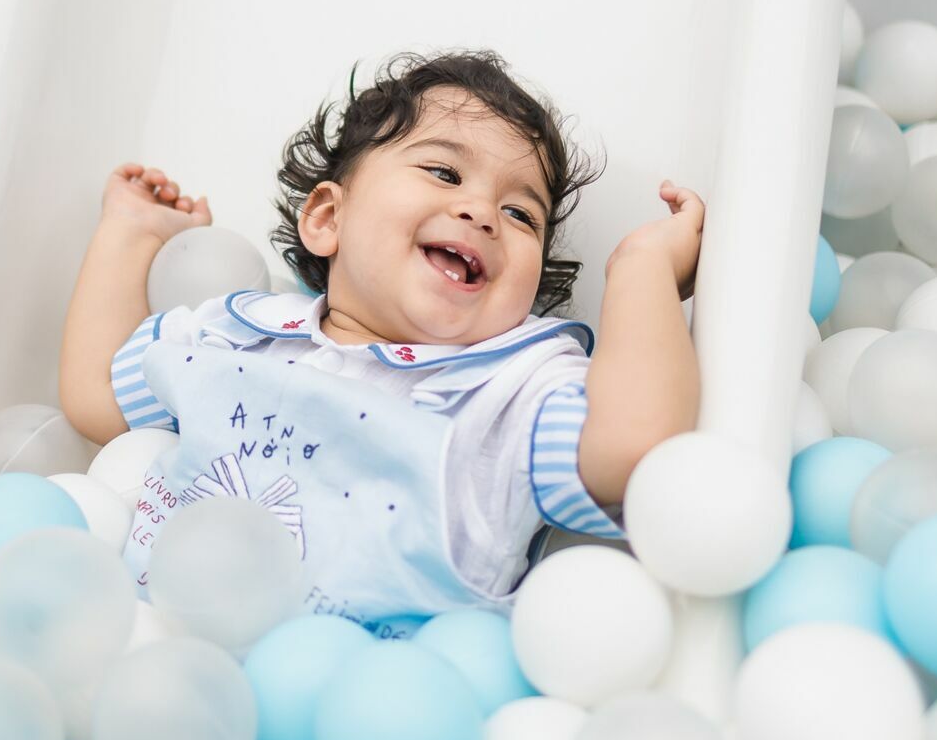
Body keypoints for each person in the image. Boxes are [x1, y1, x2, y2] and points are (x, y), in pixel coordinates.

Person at [58, 49, 703, 636]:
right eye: (444, 172)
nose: (482, 212)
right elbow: (95, 397)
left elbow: (637, 449)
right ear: (328, 219)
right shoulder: (236, 333)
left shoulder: (512, 394)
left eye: (520, 214)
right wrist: (132, 234)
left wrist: (641, 272)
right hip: (143, 646)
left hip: (356, 718)